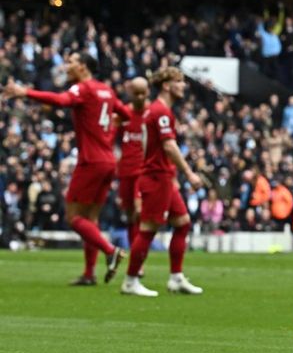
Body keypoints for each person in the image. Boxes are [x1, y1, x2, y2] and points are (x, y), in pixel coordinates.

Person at [3, 52, 131, 285]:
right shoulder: (107, 90)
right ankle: (89, 274)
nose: (67, 65)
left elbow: (61, 101)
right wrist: (112, 129)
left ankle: (110, 251)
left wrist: (25, 92)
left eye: (71, 61)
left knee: (73, 218)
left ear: (83, 66)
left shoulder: (83, 88)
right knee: (90, 219)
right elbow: (126, 115)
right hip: (108, 161)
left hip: (90, 162)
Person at [120, 67, 204, 297]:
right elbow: (168, 146)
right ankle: (130, 280)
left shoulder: (156, 110)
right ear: (167, 85)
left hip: (163, 176)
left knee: (183, 222)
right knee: (148, 229)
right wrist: (189, 173)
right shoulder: (160, 112)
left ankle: (176, 278)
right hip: (157, 177)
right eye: (179, 81)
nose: (183, 86)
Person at [115, 77, 149, 259]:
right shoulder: (123, 114)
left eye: (143, 93)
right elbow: (112, 138)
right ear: (130, 93)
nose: (141, 97)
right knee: (129, 215)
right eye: (137, 93)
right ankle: (135, 254)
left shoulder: (152, 113)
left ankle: (139, 259)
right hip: (125, 170)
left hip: (143, 171)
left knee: (139, 211)